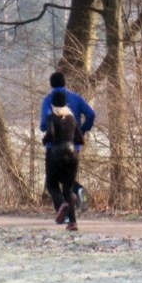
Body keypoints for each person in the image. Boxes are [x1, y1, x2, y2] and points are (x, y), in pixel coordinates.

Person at [39, 71, 95, 218]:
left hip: (54, 148)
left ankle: (63, 213)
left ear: (51, 85)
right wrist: (82, 131)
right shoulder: (76, 98)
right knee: (67, 179)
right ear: (65, 83)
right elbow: (91, 114)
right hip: (74, 146)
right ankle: (79, 191)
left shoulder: (49, 100)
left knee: (52, 181)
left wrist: (46, 131)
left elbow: (45, 123)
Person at [42, 91, 84, 232]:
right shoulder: (72, 119)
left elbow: (51, 134)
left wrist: (46, 140)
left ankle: (61, 205)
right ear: (66, 104)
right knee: (68, 188)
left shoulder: (52, 118)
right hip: (72, 157)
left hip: (56, 156)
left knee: (52, 184)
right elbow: (80, 139)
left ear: (53, 104)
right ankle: (73, 222)